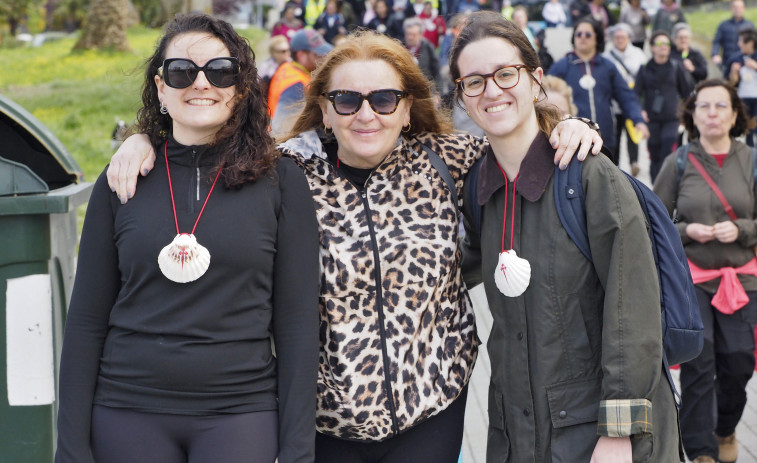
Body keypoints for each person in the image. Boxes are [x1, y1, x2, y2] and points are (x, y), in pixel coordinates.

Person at [106, 28, 604, 463]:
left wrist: (568, 125)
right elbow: (201, 155)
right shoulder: (280, 175)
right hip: (323, 424)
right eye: (347, 101)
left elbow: (517, 140)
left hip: (431, 410)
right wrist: (143, 139)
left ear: (408, 108)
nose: (366, 114)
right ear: (324, 109)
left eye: (384, 100)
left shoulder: (449, 161)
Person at [54, 13, 320, 463]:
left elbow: (296, 324)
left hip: (240, 412)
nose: (201, 83)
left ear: (240, 87)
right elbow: (85, 321)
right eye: (182, 72)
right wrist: (71, 448)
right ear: (161, 88)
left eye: (220, 71)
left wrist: (298, 451)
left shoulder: (282, 181)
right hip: (127, 410)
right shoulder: (122, 179)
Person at [450, 10, 682, 463]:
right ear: (462, 96)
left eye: (505, 73)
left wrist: (620, 431)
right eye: (473, 81)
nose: (491, 90)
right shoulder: (478, 186)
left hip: (599, 437)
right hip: (517, 431)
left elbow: (631, 308)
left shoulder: (589, 177)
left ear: (537, 79)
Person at [653, 78, 757, 463]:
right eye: (704, 106)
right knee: (699, 364)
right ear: (692, 116)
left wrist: (743, 229)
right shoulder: (678, 161)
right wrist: (686, 230)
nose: (712, 113)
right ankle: (700, 452)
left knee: (739, 361)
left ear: (734, 115)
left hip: (742, 279)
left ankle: (726, 429)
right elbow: (655, 221)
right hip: (692, 280)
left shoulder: (752, 160)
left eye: (720, 106)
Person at [549, 17, 649, 163]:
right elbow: (545, 96)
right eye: (579, 34)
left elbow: (625, 96)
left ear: (597, 38)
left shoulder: (607, 66)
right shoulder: (563, 66)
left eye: (588, 34)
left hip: (605, 140)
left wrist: (637, 119)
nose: (583, 37)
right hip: (572, 140)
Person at [635, 30, 694, 181]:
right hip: (652, 119)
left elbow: (687, 93)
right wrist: (640, 111)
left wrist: (685, 114)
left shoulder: (676, 66)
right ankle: (656, 189)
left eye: (667, 43)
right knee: (654, 152)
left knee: (668, 147)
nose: (664, 47)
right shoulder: (644, 69)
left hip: (672, 118)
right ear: (652, 47)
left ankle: (669, 184)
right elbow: (635, 94)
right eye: (660, 43)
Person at [268, 28, 333, 137]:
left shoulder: (288, 68)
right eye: (317, 55)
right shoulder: (295, 85)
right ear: (301, 55)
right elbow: (284, 130)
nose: (323, 58)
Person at [604, 23, 646, 176]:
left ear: (629, 38)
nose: (620, 40)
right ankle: (615, 165)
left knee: (633, 133)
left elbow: (644, 78)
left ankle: (634, 162)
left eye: (623, 37)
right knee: (615, 135)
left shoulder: (638, 54)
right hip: (614, 104)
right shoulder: (606, 57)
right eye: (617, 37)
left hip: (632, 100)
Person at [727, 29, 757, 146]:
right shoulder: (735, 58)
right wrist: (733, 73)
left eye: (742, 41)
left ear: (750, 43)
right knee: (746, 128)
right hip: (743, 98)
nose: (739, 44)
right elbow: (730, 83)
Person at [403, 17, 443, 94]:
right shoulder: (401, 47)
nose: (410, 37)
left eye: (413, 35)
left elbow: (437, 71)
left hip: (426, 90)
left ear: (421, 35)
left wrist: (438, 93)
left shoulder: (428, 47)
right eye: (408, 34)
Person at [712, 0, 755, 71]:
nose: (738, 10)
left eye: (740, 7)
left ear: (744, 8)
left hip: (745, 62)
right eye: (735, 7)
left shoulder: (749, 25)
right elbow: (717, 41)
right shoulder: (724, 25)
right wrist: (715, 54)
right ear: (731, 8)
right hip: (727, 61)